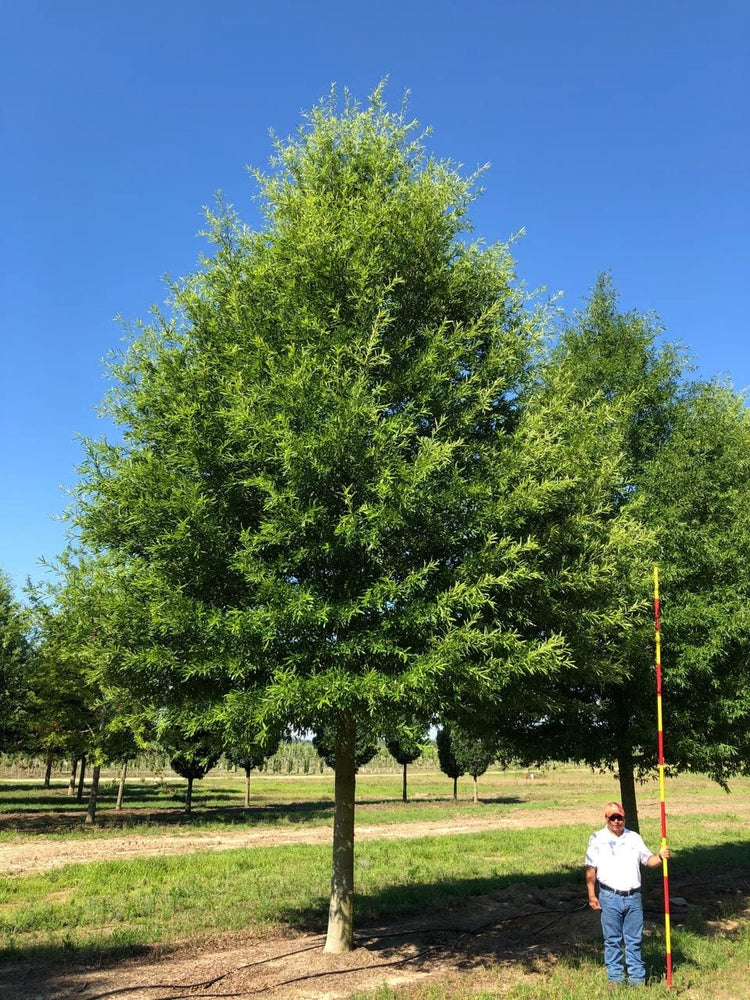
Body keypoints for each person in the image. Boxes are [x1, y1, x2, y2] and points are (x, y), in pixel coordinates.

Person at [585, 801, 671, 987]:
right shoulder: (597, 838)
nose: (616, 821)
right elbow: (591, 869)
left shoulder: (634, 838)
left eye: (619, 817)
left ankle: (637, 980)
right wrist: (592, 895)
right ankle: (615, 978)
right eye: (612, 818)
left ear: (624, 817)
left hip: (633, 897)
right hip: (609, 897)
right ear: (606, 818)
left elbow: (648, 861)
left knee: (634, 940)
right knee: (612, 940)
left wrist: (661, 856)